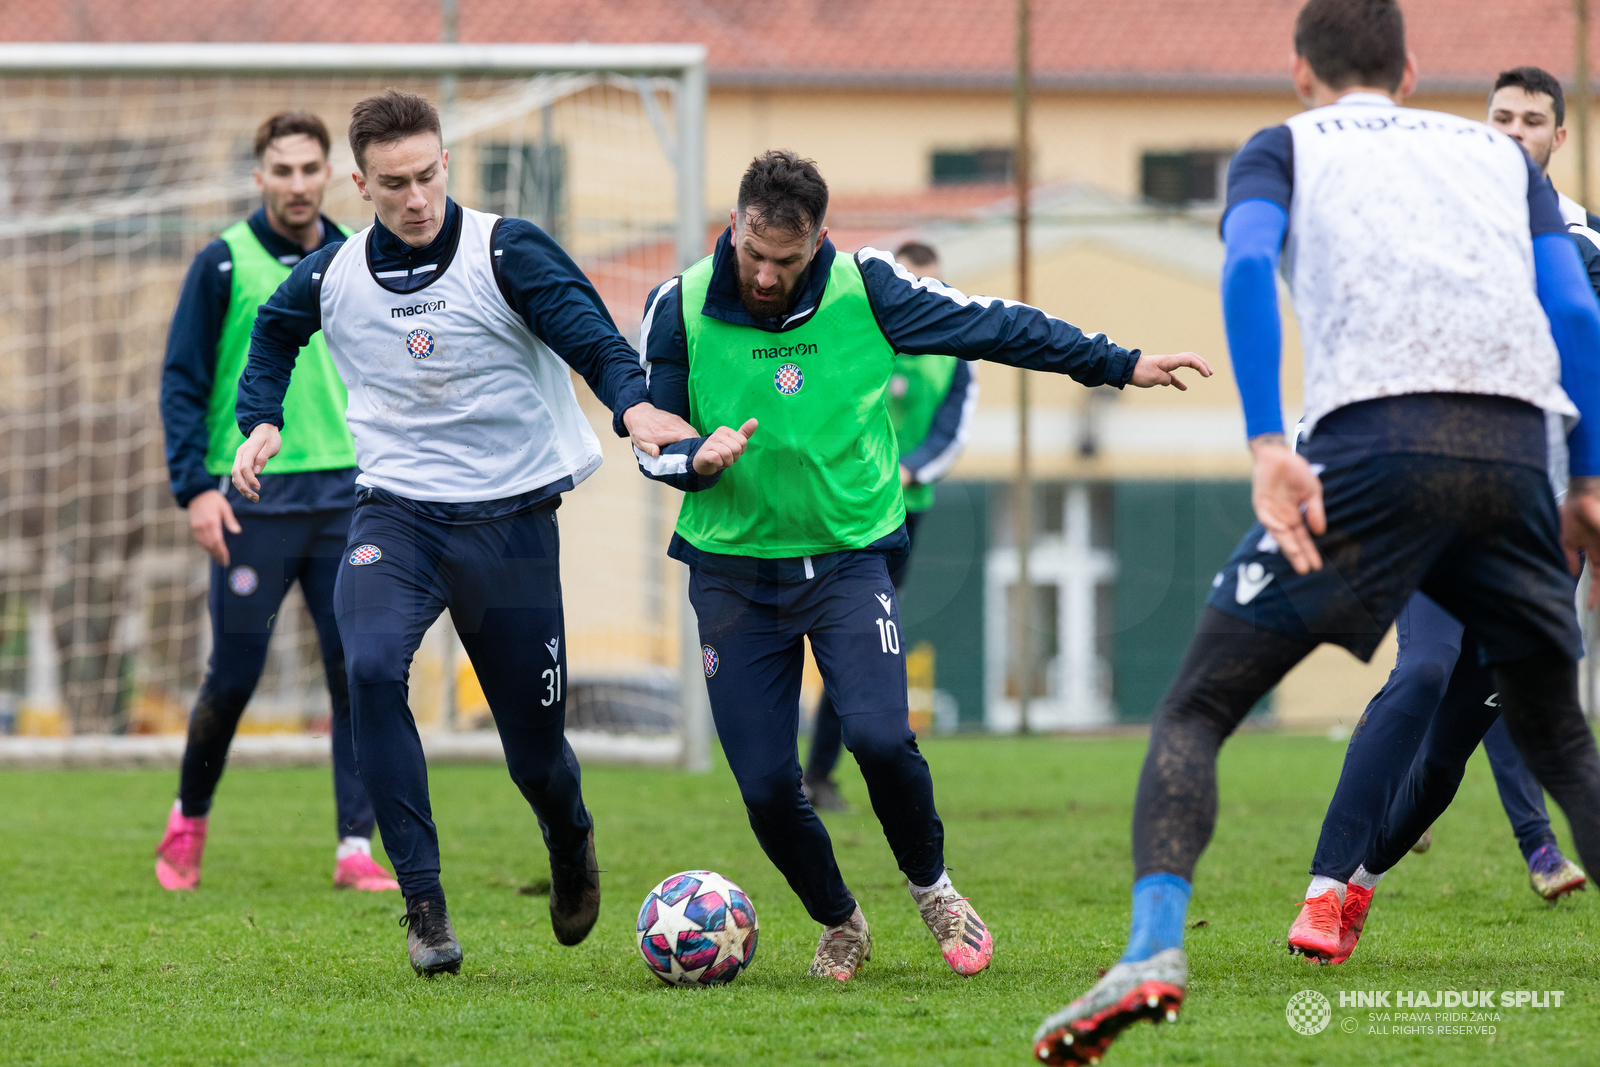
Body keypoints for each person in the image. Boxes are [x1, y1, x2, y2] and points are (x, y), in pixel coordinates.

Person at [1034, 2, 1600, 1063]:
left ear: (1299, 72)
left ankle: (1154, 946)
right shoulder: (1496, 158)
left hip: (1373, 444)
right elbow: (1574, 317)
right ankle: (1352, 878)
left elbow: (1247, 266)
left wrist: (1262, 440)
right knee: (1561, 739)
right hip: (1514, 452)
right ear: (1412, 68)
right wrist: (1590, 480)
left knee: (1198, 702)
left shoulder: (1281, 147)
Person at [636, 150, 1210, 982]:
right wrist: (696, 457)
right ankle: (840, 921)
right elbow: (650, 434)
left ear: (819, 242)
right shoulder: (679, 305)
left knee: (878, 735)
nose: (764, 275)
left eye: (786, 260)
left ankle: (933, 887)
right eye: (753, 252)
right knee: (766, 783)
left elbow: (996, 325)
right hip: (731, 572)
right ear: (733, 224)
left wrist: (1117, 362)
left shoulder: (869, 287)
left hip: (847, 559)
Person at [230, 90, 692, 977]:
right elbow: (275, 331)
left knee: (536, 751)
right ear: (359, 183)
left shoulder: (506, 249)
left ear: (446, 162)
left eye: (429, 174)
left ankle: (569, 835)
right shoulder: (332, 275)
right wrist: (261, 418)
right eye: (394, 183)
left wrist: (632, 402)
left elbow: (588, 332)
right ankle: (425, 905)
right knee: (367, 667)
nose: (416, 197)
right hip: (396, 515)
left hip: (512, 524)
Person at [1283, 65, 1598, 970]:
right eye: (1499, 116)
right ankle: (1320, 888)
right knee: (1419, 671)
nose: (1512, 131)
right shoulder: (1429, 229)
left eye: (1532, 121)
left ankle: (1361, 886)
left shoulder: (1584, 246)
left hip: (1540, 531)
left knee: (1457, 735)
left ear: (1557, 139)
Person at [154, 111, 397, 895]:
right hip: (251, 498)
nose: (297, 183)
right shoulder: (221, 264)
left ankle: (355, 846)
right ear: (260, 176)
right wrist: (194, 487)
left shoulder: (361, 259)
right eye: (281, 170)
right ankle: (188, 819)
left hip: (347, 497)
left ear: (331, 174)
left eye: (309, 169)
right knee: (233, 675)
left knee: (354, 672)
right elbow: (182, 383)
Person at [800, 239, 977, 813]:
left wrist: (909, 469)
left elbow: (951, 432)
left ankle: (821, 774)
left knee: (857, 637)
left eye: (934, 286)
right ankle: (790, 776)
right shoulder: (857, 331)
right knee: (797, 629)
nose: (923, 298)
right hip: (833, 506)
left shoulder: (953, 351)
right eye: (913, 286)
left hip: (901, 516)